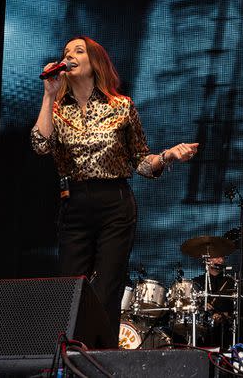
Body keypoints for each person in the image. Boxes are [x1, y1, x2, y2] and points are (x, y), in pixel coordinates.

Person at [30, 35, 199, 343]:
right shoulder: (58, 110)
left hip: (114, 203)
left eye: (78, 51)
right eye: (66, 52)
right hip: (75, 204)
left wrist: (167, 156)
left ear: (95, 62)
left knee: (107, 288)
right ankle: (71, 357)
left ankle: (101, 360)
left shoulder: (121, 107)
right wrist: (48, 95)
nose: (69, 56)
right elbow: (41, 145)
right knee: (72, 286)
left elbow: (141, 163)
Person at [192, 256, 235, 348]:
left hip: (225, 329)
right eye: (216, 257)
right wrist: (201, 305)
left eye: (222, 258)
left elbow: (237, 308)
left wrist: (226, 315)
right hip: (202, 327)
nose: (220, 260)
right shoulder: (196, 282)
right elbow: (191, 303)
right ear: (207, 260)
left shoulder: (231, 282)